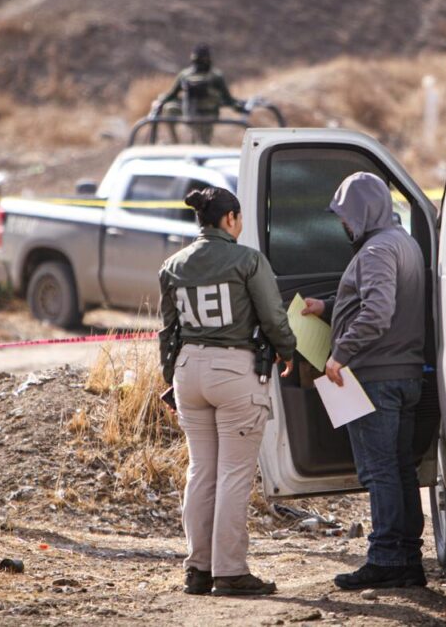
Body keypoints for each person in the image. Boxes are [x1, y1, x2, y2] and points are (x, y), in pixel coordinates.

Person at [158, 186, 297, 597]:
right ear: (231, 219)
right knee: (234, 474)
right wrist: (289, 351)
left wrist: (170, 377)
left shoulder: (173, 265)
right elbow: (272, 317)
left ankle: (198, 569)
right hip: (233, 371)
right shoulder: (247, 259)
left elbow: (168, 330)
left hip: (187, 370)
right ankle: (230, 571)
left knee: (201, 471)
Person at [300, 172, 427, 590]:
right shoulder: (403, 242)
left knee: (380, 471)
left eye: (345, 215)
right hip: (405, 374)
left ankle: (388, 558)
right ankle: (407, 557)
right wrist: (328, 307)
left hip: (375, 377)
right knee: (400, 468)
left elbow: (376, 311)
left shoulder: (375, 250)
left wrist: (339, 355)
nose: (343, 224)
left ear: (362, 211)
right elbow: (371, 300)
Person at [153, 43, 248, 143]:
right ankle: (175, 142)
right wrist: (238, 107)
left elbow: (171, 95)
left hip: (202, 115)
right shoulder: (212, 76)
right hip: (197, 115)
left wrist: (161, 100)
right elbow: (228, 99)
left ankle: (176, 142)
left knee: (201, 141)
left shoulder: (192, 75)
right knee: (169, 109)